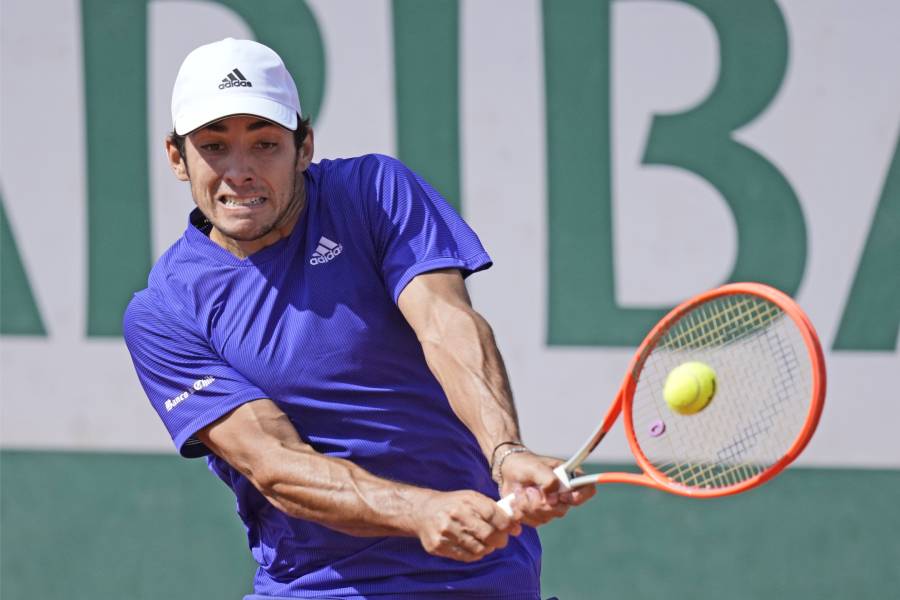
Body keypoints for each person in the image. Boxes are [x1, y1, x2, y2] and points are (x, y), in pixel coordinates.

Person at [123, 38, 593, 599]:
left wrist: (505, 451)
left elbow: (445, 322)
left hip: (484, 579)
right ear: (177, 158)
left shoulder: (373, 193)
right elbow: (276, 464)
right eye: (215, 146)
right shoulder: (165, 313)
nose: (240, 171)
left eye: (265, 144)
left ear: (304, 147)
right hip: (318, 589)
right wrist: (420, 512)